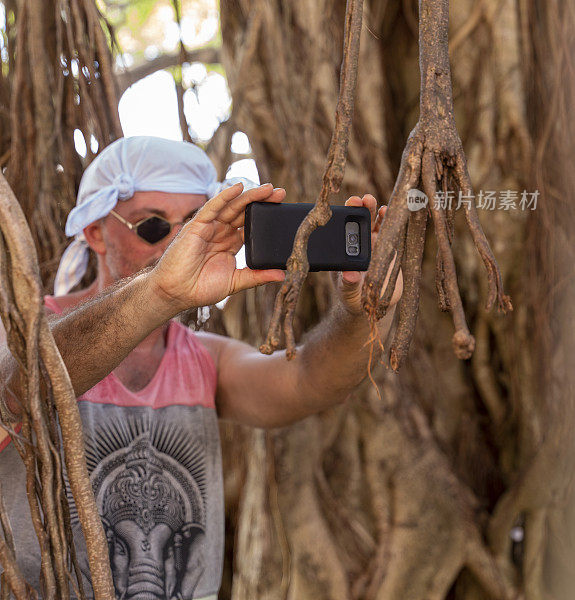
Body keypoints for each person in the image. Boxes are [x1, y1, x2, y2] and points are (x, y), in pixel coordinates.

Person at [0, 136, 402, 600]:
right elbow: (18, 390)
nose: (174, 243)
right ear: (94, 232)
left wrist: (361, 315)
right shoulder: (16, 335)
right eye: (152, 226)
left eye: (191, 223)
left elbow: (308, 383)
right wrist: (159, 292)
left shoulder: (204, 358)